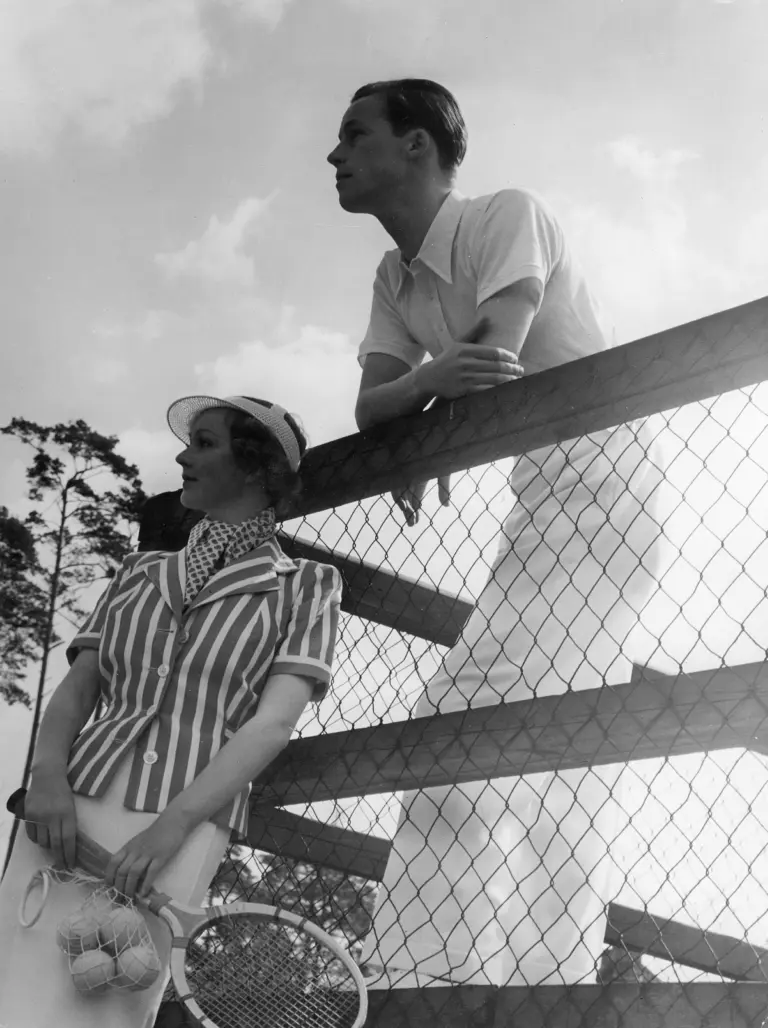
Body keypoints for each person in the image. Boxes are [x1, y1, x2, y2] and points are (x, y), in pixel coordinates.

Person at [328, 79, 667, 987]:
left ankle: (422, 983)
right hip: (542, 496)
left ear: (417, 145)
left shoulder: (505, 214)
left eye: (354, 133)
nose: (334, 154)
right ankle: (541, 984)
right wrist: (424, 396)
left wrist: (427, 413)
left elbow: (493, 351)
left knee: (461, 715)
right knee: (559, 752)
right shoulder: (393, 277)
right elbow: (374, 407)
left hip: (606, 486)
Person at [0, 394, 342, 1027]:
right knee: (12, 985)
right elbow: (78, 689)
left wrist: (171, 828)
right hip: (66, 803)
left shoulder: (308, 586)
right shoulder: (138, 571)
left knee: (105, 1008)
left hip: (183, 822)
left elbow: (273, 724)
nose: (183, 456)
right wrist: (46, 778)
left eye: (204, 443)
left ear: (256, 466)